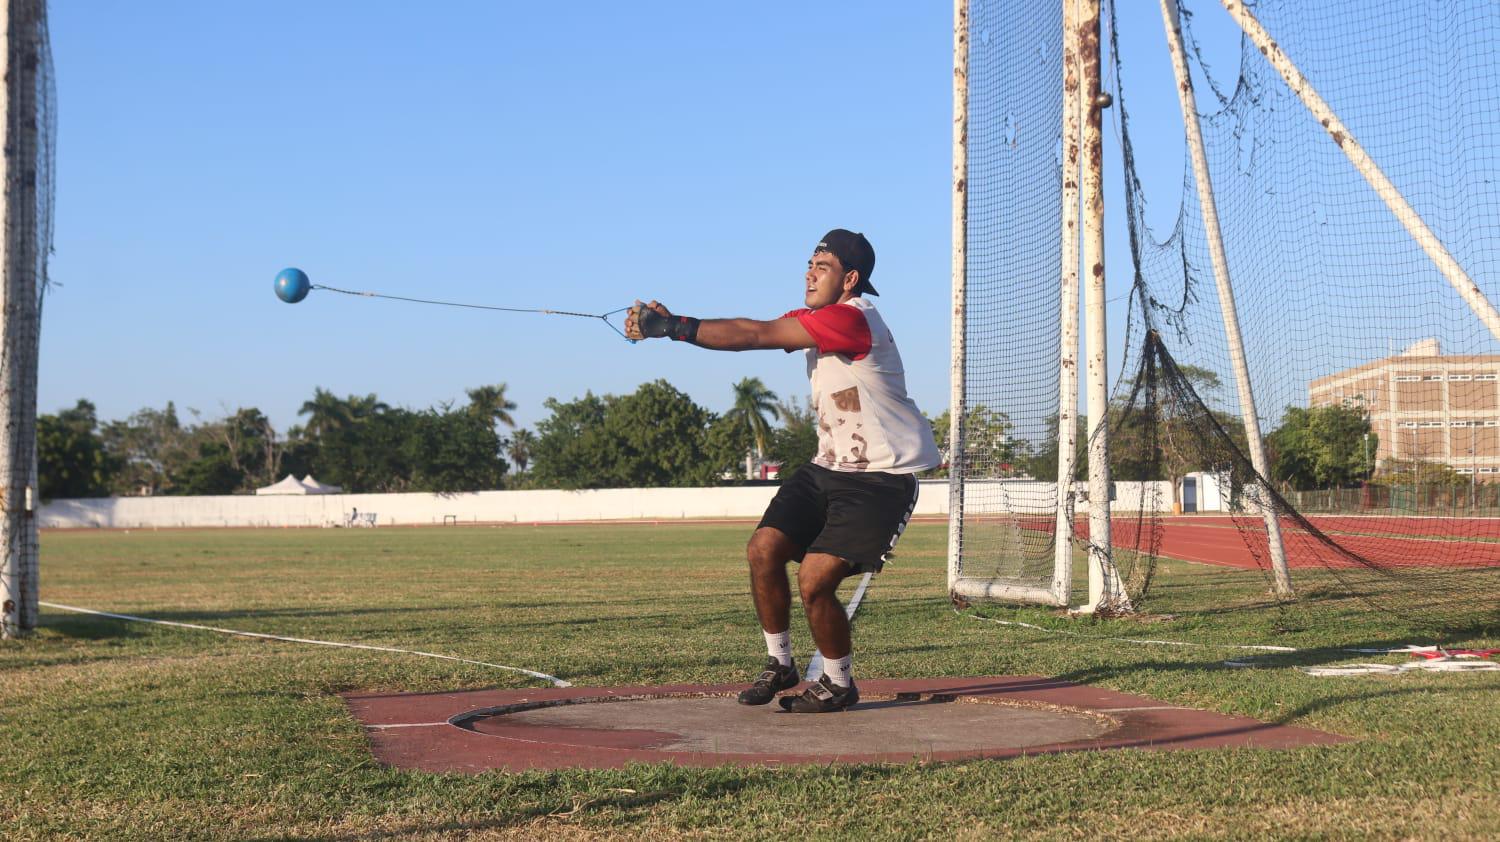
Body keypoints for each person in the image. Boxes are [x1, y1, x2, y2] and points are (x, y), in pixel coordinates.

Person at [625, 229, 939, 713]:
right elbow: (749, 327)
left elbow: (755, 336)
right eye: (809, 264)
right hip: (827, 468)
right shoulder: (818, 319)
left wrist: (672, 328)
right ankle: (781, 664)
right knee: (763, 549)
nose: (809, 273)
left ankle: (837, 681)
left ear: (850, 278)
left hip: (880, 478)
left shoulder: (851, 320)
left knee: (814, 581)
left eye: (823, 267)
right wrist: (673, 324)